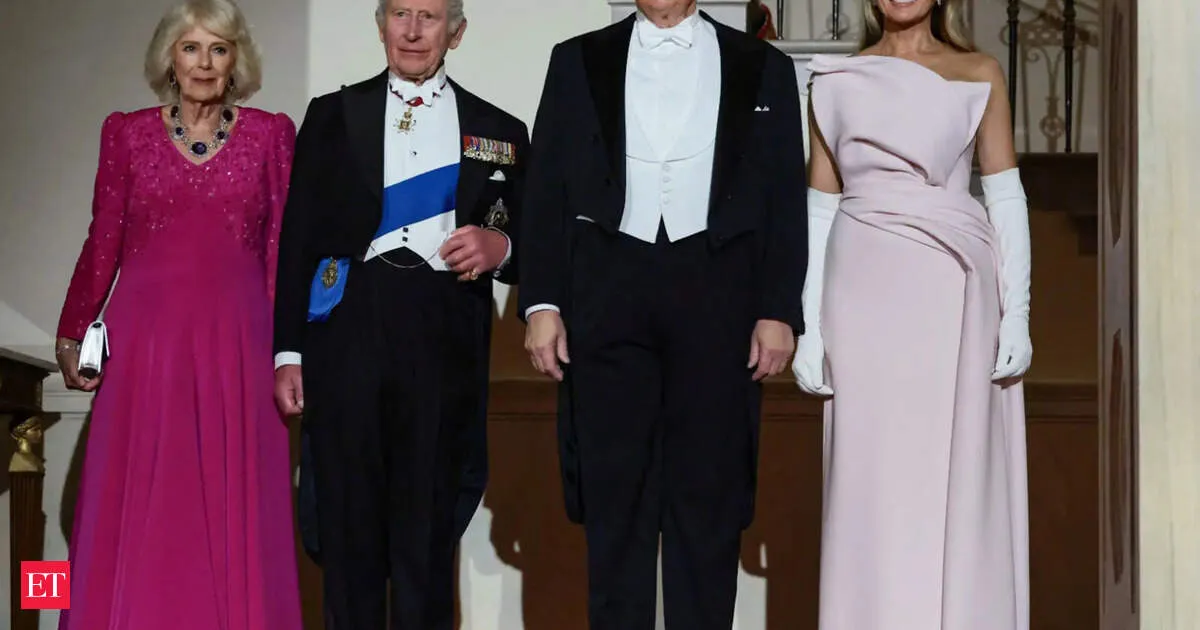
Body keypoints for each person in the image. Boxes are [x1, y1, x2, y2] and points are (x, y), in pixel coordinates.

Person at [519, 0, 807, 627]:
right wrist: (542, 301)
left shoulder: (764, 66)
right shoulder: (576, 60)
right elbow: (545, 186)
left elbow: (786, 190)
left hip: (720, 292)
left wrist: (779, 308)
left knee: (709, 499)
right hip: (607, 290)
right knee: (613, 500)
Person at [271, 0, 527, 626]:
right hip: (350, 328)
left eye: (430, 17)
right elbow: (298, 240)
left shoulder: (502, 129)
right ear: (381, 24)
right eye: (400, 14)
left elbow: (537, 244)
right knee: (349, 530)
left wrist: (503, 246)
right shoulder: (331, 117)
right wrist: (288, 352)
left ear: (456, 32)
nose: (413, 31)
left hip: (444, 332)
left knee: (427, 536)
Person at [52, 1, 302, 628]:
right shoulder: (126, 133)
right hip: (144, 344)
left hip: (241, 341)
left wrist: (289, 349)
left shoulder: (272, 133)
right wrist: (72, 329)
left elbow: (280, 250)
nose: (204, 63)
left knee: (236, 501)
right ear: (169, 57)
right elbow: (102, 237)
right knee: (140, 498)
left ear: (236, 60)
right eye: (191, 48)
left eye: (219, 48)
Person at [794, 0, 1033, 627]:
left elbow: (1005, 194)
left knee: (953, 472)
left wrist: (1018, 314)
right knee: (869, 481)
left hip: (953, 288)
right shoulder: (833, 80)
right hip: (861, 292)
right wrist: (809, 325)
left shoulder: (979, 70)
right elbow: (820, 205)